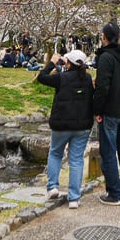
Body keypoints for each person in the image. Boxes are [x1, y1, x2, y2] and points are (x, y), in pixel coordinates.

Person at [37, 49, 94, 209]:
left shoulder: (61, 78)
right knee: (76, 160)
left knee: (55, 153)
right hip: (82, 126)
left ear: (69, 63)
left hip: (61, 125)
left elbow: (41, 77)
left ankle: (53, 187)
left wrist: (53, 63)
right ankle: (74, 198)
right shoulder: (88, 79)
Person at [92, 21, 120, 206]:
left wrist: (97, 109)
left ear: (104, 37)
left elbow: (102, 86)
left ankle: (114, 193)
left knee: (108, 150)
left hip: (110, 110)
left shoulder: (106, 57)